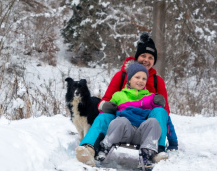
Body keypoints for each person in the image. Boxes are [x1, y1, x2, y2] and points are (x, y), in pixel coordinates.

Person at [75, 32, 178, 167]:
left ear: (154, 61)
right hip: (120, 119)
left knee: (160, 112)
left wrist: (172, 140)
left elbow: (165, 113)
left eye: (150, 57)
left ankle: (157, 151)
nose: (146, 60)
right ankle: (89, 148)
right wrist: (107, 106)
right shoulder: (121, 76)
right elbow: (105, 100)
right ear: (137, 57)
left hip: (145, 123)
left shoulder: (157, 81)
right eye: (143, 56)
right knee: (104, 116)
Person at [98, 61, 166, 169]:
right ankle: (105, 146)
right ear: (129, 79)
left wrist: (159, 101)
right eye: (137, 77)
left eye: (144, 79)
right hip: (124, 131)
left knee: (153, 122)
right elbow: (108, 112)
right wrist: (107, 107)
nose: (141, 81)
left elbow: (160, 112)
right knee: (121, 120)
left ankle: (147, 154)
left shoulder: (150, 96)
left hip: (141, 133)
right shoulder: (118, 95)